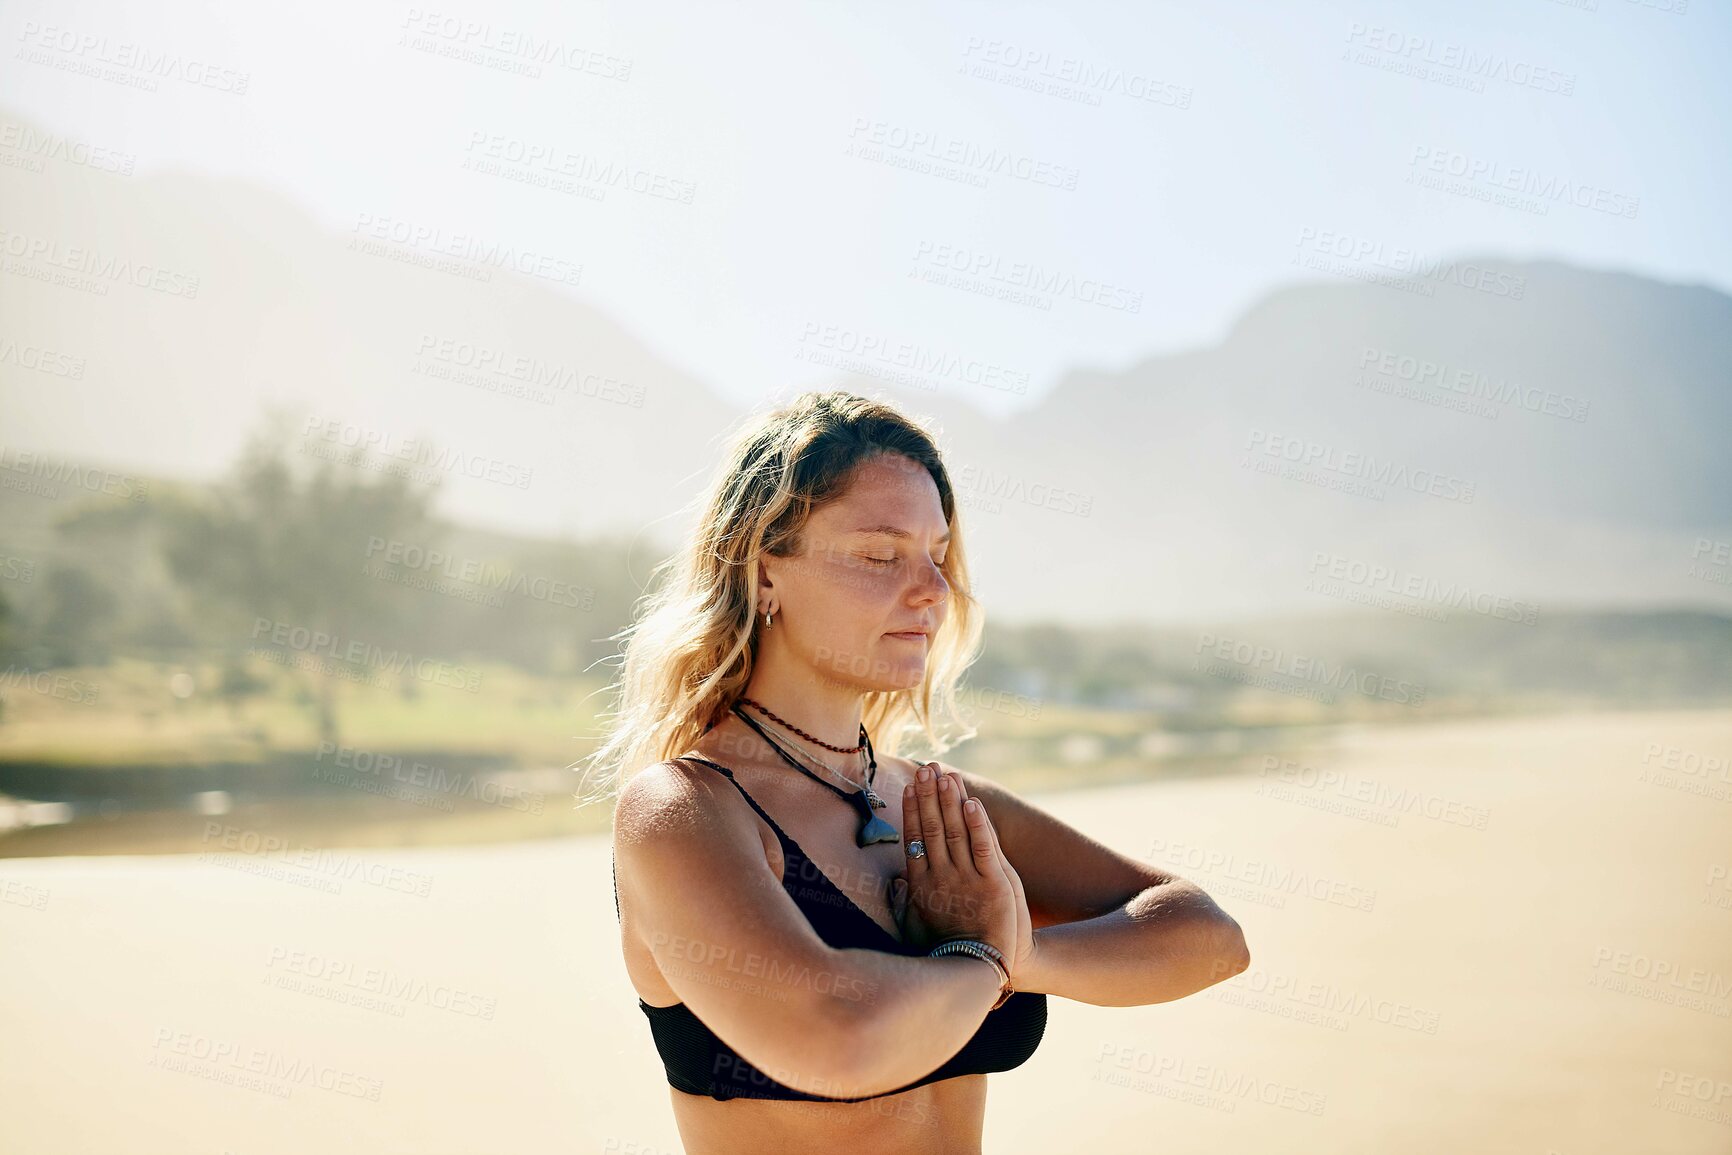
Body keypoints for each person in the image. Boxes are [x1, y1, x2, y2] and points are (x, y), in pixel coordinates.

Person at [585, 390, 1249, 1154]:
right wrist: (982, 956)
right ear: (764, 570)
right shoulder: (687, 811)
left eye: (936, 556)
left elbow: (1211, 937)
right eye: (880, 554)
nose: (933, 592)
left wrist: (1023, 957)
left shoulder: (936, 804)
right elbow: (839, 1037)